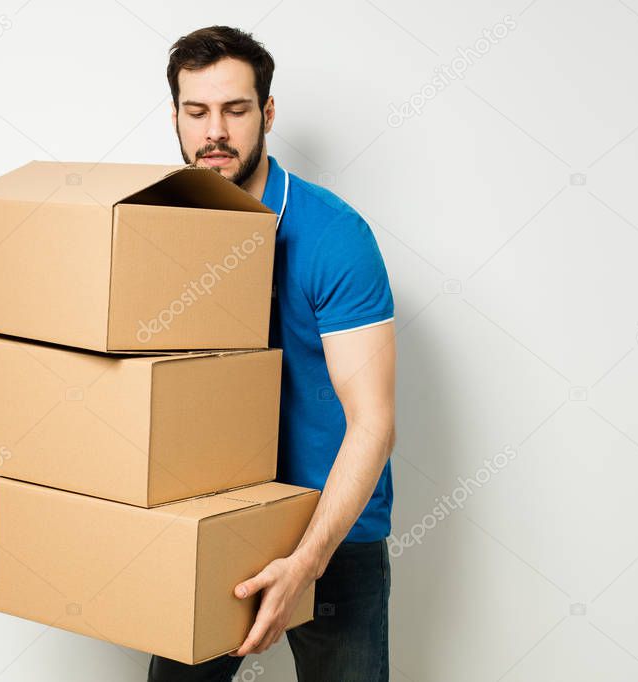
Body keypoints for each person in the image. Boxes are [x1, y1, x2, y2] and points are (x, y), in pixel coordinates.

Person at [147, 26, 397, 682]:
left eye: (235, 109)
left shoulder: (332, 236)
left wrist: (306, 561)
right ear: (174, 115)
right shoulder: (161, 231)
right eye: (196, 112)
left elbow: (372, 420)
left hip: (332, 534)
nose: (215, 133)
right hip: (210, 523)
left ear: (267, 113)